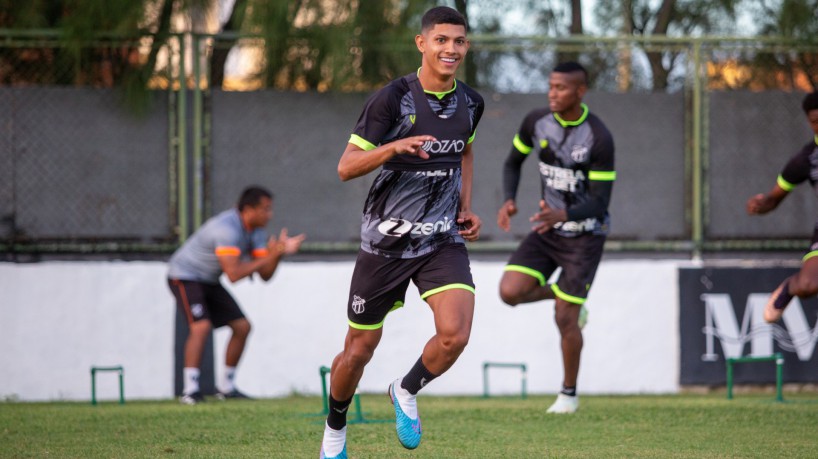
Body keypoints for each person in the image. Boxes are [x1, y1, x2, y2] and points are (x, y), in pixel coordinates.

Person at [318, 6, 484, 459]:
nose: (451, 49)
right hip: (385, 245)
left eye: (459, 41)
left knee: (456, 335)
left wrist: (466, 205)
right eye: (442, 40)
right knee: (357, 351)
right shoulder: (392, 100)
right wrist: (395, 146)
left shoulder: (471, 102)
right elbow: (346, 167)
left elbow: (465, 150)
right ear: (422, 43)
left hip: (440, 241)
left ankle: (405, 390)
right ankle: (334, 430)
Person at [496, 62, 615, 414]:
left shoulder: (599, 137)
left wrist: (562, 214)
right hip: (548, 231)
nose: (553, 93)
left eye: (561, 88)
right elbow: (512, 162)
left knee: (564, 317)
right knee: (509, 291)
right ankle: (570, 297)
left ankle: (568, 395)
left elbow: (600, 201)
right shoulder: (536, 122)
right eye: (550, 86)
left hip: (585, 236)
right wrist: (509, 199)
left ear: (580, 92)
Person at [167, 186, 305, 405]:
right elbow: (233, 274)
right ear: (248, 209)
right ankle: (190, 390)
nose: (270, 215)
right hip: (185, 276)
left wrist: (277, 255)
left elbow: (265, 275)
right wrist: (274, 253)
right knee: (201, 327)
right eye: (265, 209)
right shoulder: (226, 229)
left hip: (209, 280)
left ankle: (226, 388)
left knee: (242, 326)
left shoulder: (257, 231)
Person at [747, 91, 818, 323]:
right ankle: (790, 286)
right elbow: (774, 198)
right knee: (808, 285)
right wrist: (762, 203)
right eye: (815, 122)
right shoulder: (806, 159)